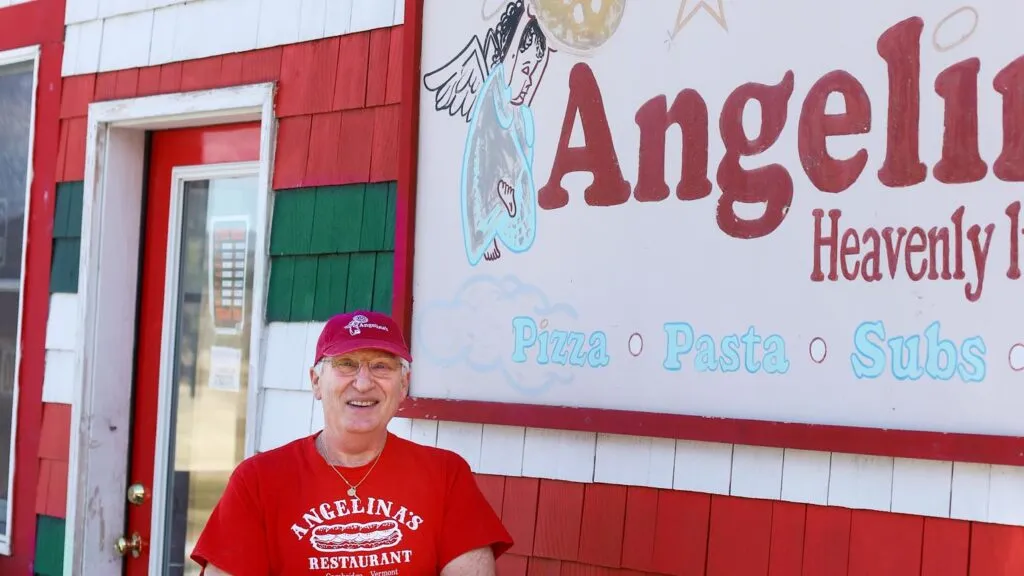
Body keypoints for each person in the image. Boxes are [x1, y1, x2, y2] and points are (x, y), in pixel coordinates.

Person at [191, 310, 514, 575]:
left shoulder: (445, 474)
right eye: (346, 364)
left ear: (403, 385)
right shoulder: (259, 480)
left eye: (381, 366)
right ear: (317, 382)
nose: (363, 383)